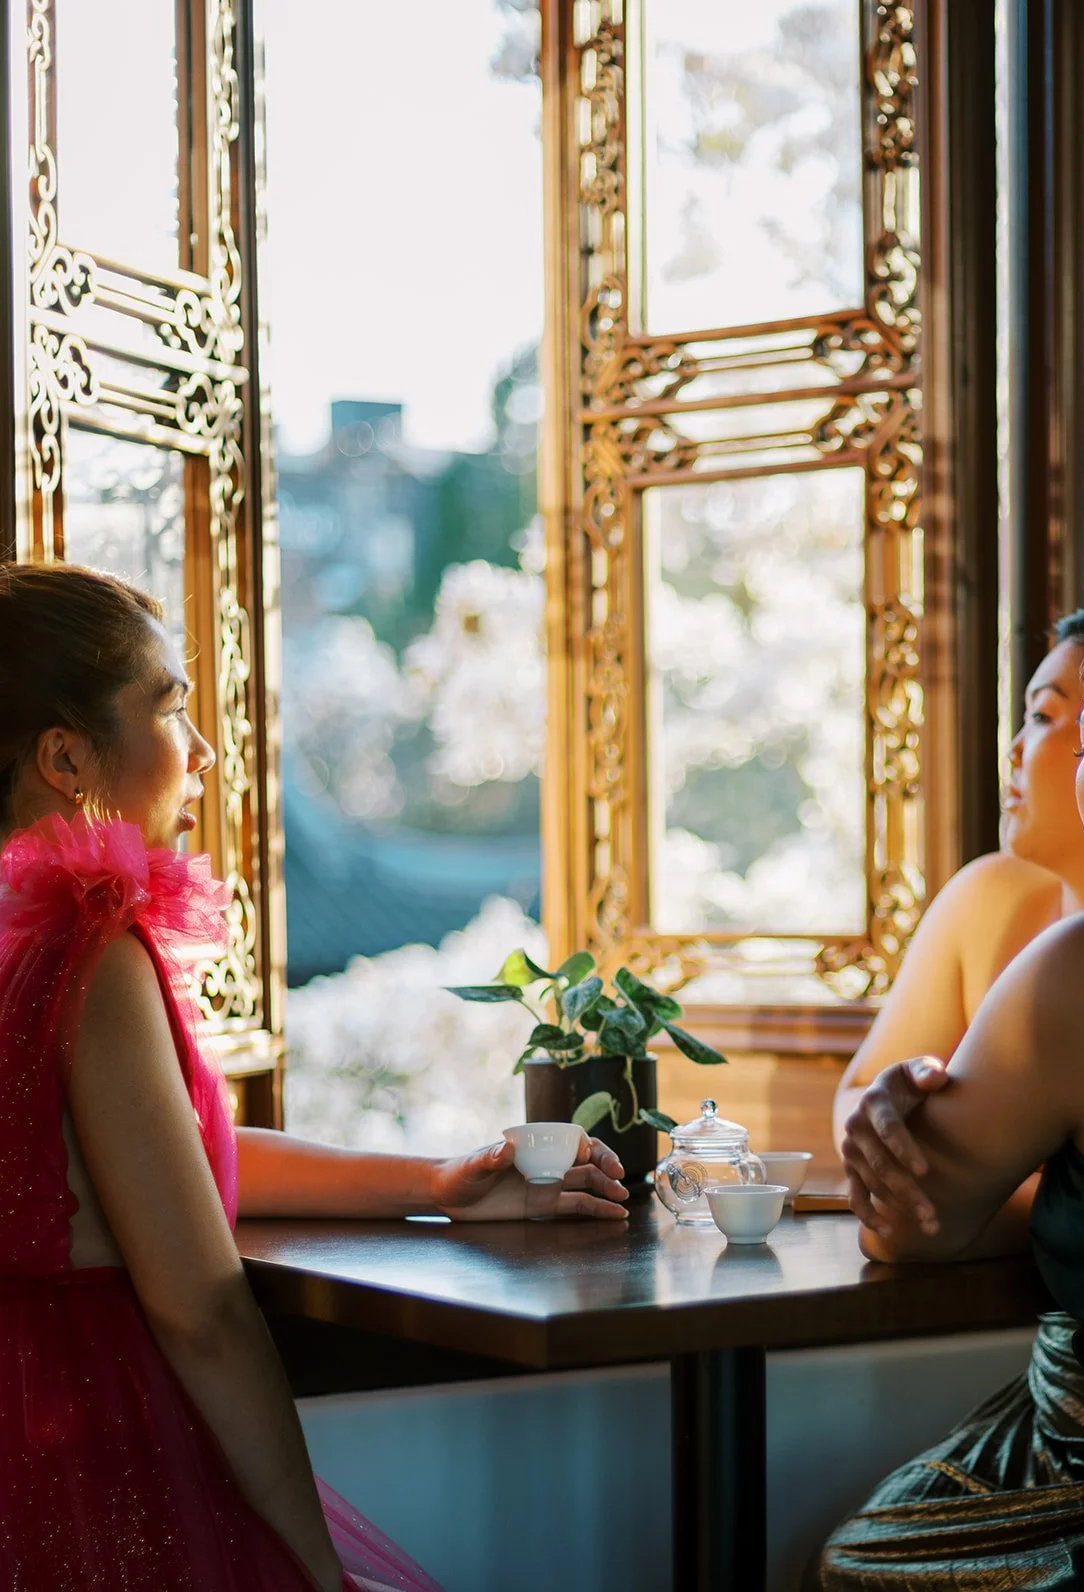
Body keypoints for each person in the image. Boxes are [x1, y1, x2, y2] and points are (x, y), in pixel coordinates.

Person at [0, 561, 627, 1591]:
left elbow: (152, 1158)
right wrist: (313, 1561)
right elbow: (202, 1310)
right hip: (92, 1462)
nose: (202, 751)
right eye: (170, 707)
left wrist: (433, 1184)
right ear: (67, 754)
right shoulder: (86, 947)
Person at [839, 584, 1084, 1587]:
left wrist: (911, 1131)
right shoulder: (1012, 911)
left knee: (862, 1562)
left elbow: (900, 1223)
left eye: (1081, 739)